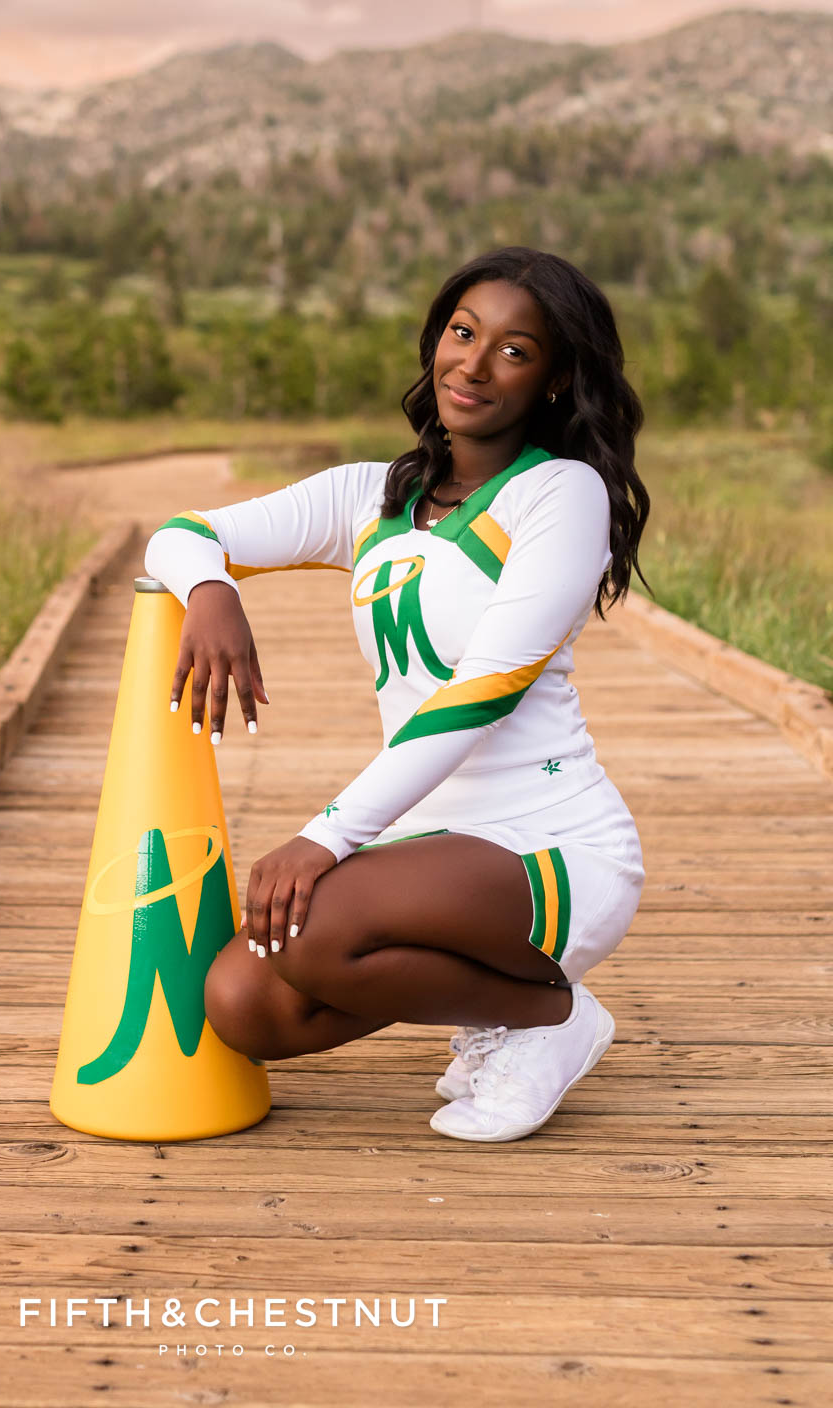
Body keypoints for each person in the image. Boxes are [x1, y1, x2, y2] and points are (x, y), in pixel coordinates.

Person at [142, 245, 650, 1142]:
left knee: (306, 931)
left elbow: (481, 692)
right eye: (463, 332)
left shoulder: (561, 495)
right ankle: (518, 1016)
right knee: (244, 1003)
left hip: (549, 850)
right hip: (428, 855)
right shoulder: (370, 495)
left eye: (514, 349)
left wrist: (325, 836)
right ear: (435, 341)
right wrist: (211, 590)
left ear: (558, 379)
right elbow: (182, 534)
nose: (476, 363)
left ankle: (550, 1019)